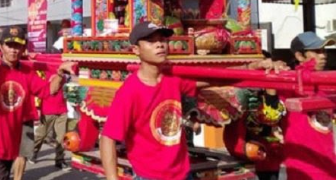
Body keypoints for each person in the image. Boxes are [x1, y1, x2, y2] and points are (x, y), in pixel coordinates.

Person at [100, 21, 286, 180]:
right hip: (150, 175)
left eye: (163, 40)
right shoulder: (130, 91)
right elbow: (108, 138)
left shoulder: (173, 78)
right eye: (151, 41)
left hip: (182, 172)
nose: (160, 45)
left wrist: (254, 66)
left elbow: (215, 78)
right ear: (136, 50)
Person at [0, 26, 75, 180]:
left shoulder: (26, 72)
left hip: (11, 139)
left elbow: (48, 91)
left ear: (23, 48)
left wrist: (60, 74)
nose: (13, 50)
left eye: (18, 46)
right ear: (1, 46)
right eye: (9, 45)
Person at [280, 32, 335, 180]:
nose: (323, 55)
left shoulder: (327, 84)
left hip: (330, 167)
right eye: (317, 51)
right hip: (303, 170)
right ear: (299, 56)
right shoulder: (286, 83)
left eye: (323, 51)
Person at [31, 70, 69, 170]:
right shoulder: (44, 70)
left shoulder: (64, 71)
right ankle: (33, 153)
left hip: (62, 110)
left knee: (61, 138)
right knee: (41, 135)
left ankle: (59, 160)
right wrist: (37, 108)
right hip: (47, 109)